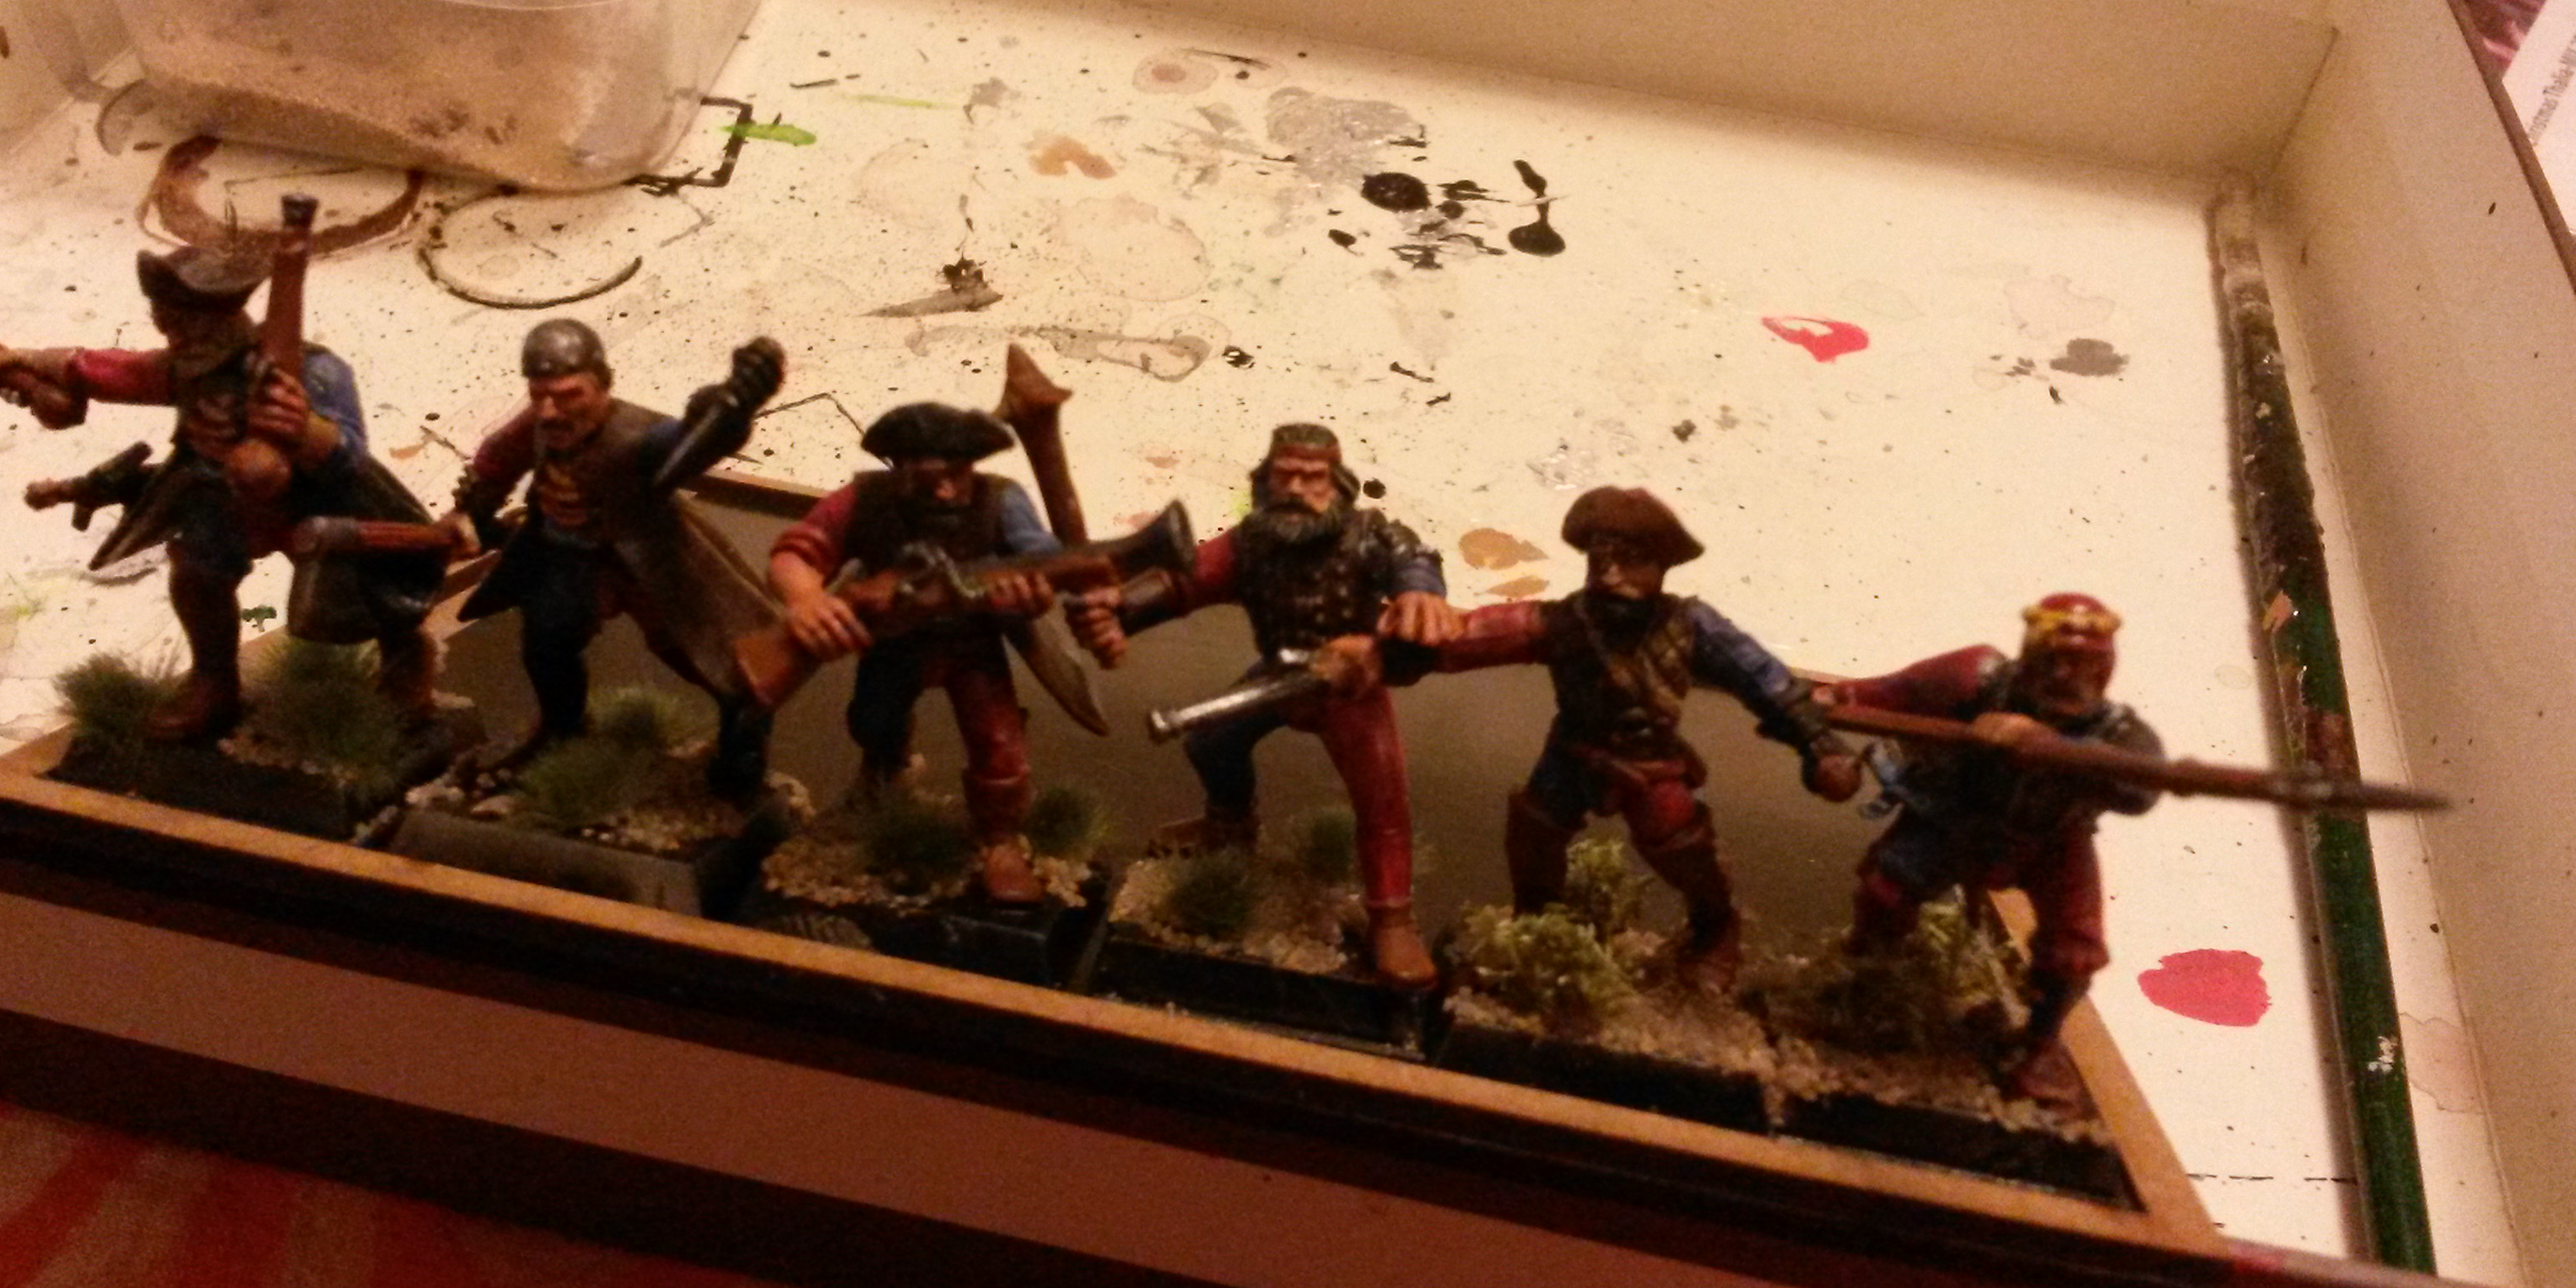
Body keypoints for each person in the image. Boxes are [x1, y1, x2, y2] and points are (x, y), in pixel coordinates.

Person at [0, 245, 440, 741]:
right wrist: (30, 360)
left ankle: (404, 658)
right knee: (198, 579)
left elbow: (349, 454)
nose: (172, 335)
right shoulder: (187, 366)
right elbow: (117, 372)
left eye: (184, 323)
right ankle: (214, 683)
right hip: (223, 500)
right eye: (165, 322)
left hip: (314, 499)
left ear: (220, 317)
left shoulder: (317, 371)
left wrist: (307, 431)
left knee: (370, 588)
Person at [1071, 423, 1460, 988]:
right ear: (1264, 481)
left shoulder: (1370, 538)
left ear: (1339, 485)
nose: (1297, 490)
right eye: (1286, 477)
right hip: (1279, 677)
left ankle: (1392, 920)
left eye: (1313, 478)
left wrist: (1420, 591)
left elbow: (1414, 557)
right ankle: (1230, 826)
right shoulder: (1251, 543)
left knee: (1382, 803)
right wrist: (1118, 610)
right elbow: (1186, 582)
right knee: (1212, 743)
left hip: (1350, 689)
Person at [1436, 487, 1861, 989]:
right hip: (1572, 754)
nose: (1610, 575)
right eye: (1601, 561)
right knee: (1536, 831)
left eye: (1631, 561)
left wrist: (1818, 744)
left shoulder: (1693, 626)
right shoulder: (1565, 621)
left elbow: (1766, 682)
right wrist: (1402, 644)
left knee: (1682, 848)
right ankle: (1538, 930)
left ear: (1661, 565)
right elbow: (1477, 634)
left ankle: (1715, 929)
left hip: (1649, 763)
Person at [1819, 592, 2162, 1095]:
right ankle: (1867, 989)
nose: (2067, 676)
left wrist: (2054, 747)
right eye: (2056, 660)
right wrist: (1831, 702)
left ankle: (2039, 1047)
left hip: (2051, 844)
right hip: (1953, 822)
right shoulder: (1973, 678)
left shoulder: (2121, 734)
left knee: (2074, 952)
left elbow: (2141, 793)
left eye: (2085, 664)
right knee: (1884, 893)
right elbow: (1890, 692)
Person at [444, 321, 785, 800]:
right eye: (539, 395)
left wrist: (730, 409)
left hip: (648, 560)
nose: (550, 410)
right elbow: (498, 459)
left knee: (711, 659)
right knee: (547, 645)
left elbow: (692, 440)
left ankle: (740, 753)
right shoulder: (540, 423)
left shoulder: (637, 434)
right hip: (566, 555)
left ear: (601, 385)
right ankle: (562, 731)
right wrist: (470, 511)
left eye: (569, 395)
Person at [769, 402, 1062, 903]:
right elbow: (797, 552)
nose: (945, 492)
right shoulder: (865, 499)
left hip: (973, 643)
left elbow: (1043, 558)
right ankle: (884, 777)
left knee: (998, 743)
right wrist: (806, 600)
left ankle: (1000, 840)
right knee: (873, 722)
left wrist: (1034, 588)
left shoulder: (1001, 500)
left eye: (956, 475)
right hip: (894, 640)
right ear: (898, 468)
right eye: (929, 480)